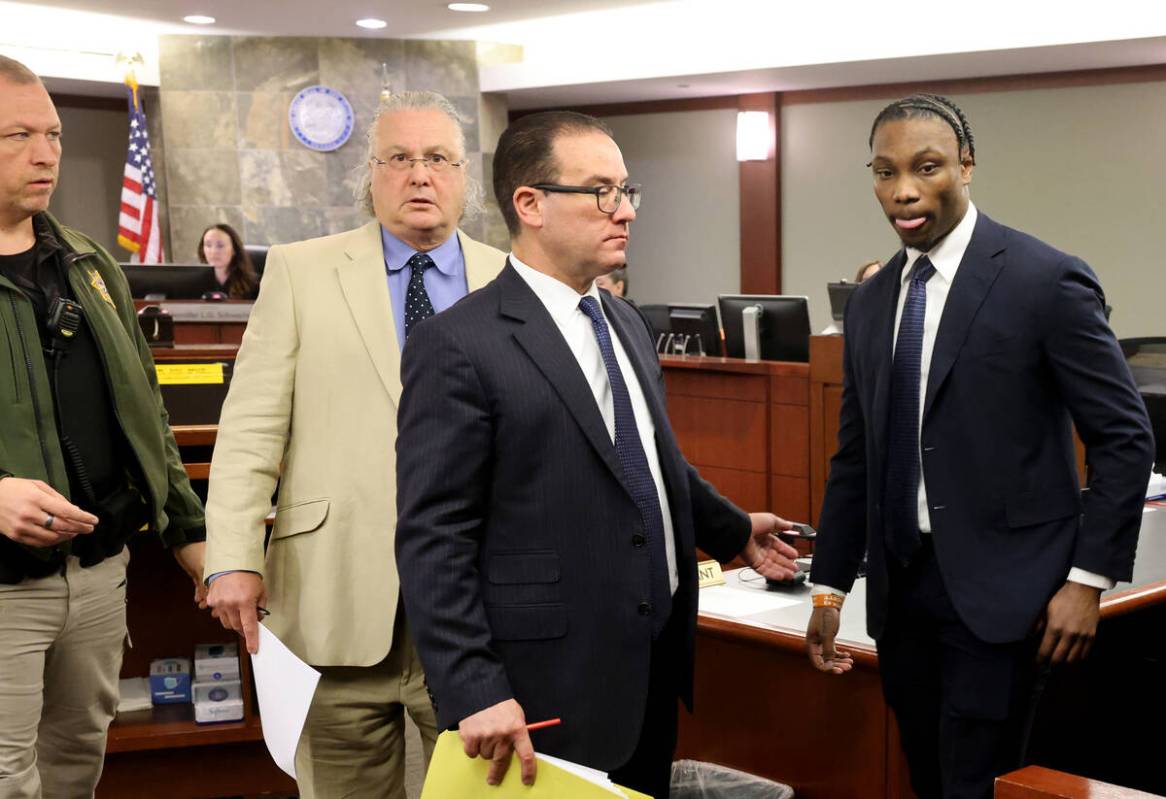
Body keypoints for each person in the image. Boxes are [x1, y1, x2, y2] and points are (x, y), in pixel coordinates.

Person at [394, 110, 800, 799]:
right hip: (539, 688)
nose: (625, 212)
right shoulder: (459, 343)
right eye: (601, 191)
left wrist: (733, 528)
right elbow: (434, 536)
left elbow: (644, 459)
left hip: (645, 674)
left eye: (626, 191)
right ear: (532, 205)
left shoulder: (625, 322)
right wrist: (473, 686)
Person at [805, 93, 1154, 799]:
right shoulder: (873, 304)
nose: (902, 190)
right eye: (884, 171)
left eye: (926, 167)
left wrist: (1089, 580)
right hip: (903, 594)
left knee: (980, 784)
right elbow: (856, 457)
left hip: (1008, 594)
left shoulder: (1045, 279)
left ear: (966, 166)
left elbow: (1124, 435)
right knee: (927, 777)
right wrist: (829, 586)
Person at [203, 90, 505, 799]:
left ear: (464, 175)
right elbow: (249, 427)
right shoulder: (301, 271)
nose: (419, 175)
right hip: (331, 594)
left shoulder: (510, 281)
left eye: (437, 159)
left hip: (477, 607)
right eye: (398, 158)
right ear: (370, 174)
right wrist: (232, 558)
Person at [0, 55, 207, 798]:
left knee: (77, 761)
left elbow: (147, 416)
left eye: (52, 132)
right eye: (17, 134)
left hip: (94, 575)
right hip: (3, 590)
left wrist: (189, 534)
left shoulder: (89, 265)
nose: (46, 152)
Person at [196, 222, 258, 299]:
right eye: (208, 245)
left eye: (220, 246)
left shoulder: (253, 285)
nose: (213, 251)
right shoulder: (193, 283)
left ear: (234, 250)